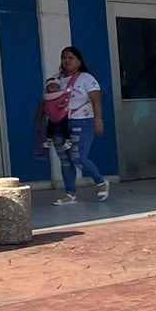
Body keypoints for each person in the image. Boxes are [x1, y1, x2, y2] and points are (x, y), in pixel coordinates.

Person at [47, 46, 108, 205]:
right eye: (64, 58)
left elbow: (96, 99)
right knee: (65, 160)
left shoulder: (87, 78)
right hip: (59, 124)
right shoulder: (56, 79)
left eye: (71, 58)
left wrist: (98, 120)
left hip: (82, 121)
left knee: (78, 157)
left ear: (79, 62)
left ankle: (100, 182)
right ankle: (70, 194)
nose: (66, 61)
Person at [35, 75, 76, 164]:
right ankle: (48, 140)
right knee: (50, 128)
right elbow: (43, 109)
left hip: (62, 116)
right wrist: (39, 121)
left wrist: (62, 105)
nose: (54, 89)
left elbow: (66, 100)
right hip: (52, 118)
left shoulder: (61, 96)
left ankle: (68, 141)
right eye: (51, 87)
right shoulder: (46, 99)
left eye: (56, 87)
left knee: (65, 128)